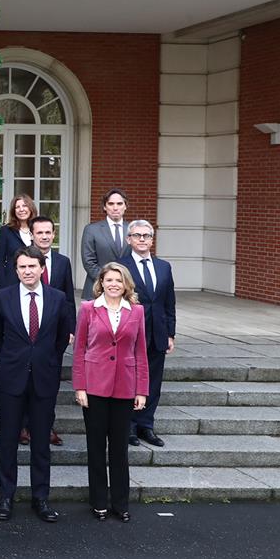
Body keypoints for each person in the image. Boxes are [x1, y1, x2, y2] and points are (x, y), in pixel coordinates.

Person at [0, 247, 74, 523]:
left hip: (44, 380)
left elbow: (62, 339)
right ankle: (6, 496)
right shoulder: (3, 298)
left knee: (41, 443)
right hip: (12, 379)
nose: (27, 271)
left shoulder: (58, 298)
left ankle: (41, 498)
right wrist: (16, 360)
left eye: (32, 267)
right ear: (16, 270)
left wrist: (42, 360)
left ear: (41, 268)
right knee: (8, 441)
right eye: (22, 267)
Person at [73, 262, 148, 522]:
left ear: (126, 284)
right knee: (95, 447)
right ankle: (99, 502)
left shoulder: (137, 311)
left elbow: (141, 352)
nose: (114, 284)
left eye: (119, 280)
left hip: (125, 388)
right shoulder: (88, 309)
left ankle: (120, 503)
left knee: (119, 449)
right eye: (109, 280)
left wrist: (142, 390)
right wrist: (79, 386)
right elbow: (80, 349)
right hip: (94, 387)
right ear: (101, 283)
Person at [119, 220, 176, 448]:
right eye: (137, 235)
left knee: (153, 382)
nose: (142, 239)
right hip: (130, 334)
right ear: (128, 239)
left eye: (146, 235)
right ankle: (129, 427)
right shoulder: (120, 266)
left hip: (158, 333)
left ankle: (146, 425)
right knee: (130, 381)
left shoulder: (164, 267)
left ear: (152, 239)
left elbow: (169, 302)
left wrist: (171, 332)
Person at [20, 215, 75, 447]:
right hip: (26, 333)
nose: (43, 236)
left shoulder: (62, 262)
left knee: (50, 382)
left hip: (53, 335)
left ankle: (46, 426)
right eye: (39, 232)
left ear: (54, 234)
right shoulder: (22, 260)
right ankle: (24, 426)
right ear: (32, 234)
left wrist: (70, 328)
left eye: (48, 232)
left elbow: (69, 299)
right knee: (23, 381)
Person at [80, 187, 130, 300]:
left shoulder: (133, 230)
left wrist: (123, 282)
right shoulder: (91, 230)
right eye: (111, 204)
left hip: (126, 290)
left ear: (125, 206)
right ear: (104, 207)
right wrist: (108, 281)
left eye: (119, 203)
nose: (115, 208)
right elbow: (88, 262)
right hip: (97, 288)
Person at [0, 194, 37, 290]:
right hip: (11, 282)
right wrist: (2, 287)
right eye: (17, 207)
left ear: (31, 208)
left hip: (35, 281)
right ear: (14, 211)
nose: (21, 209)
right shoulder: (6, 230)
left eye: (25, 206)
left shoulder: (37, 228)